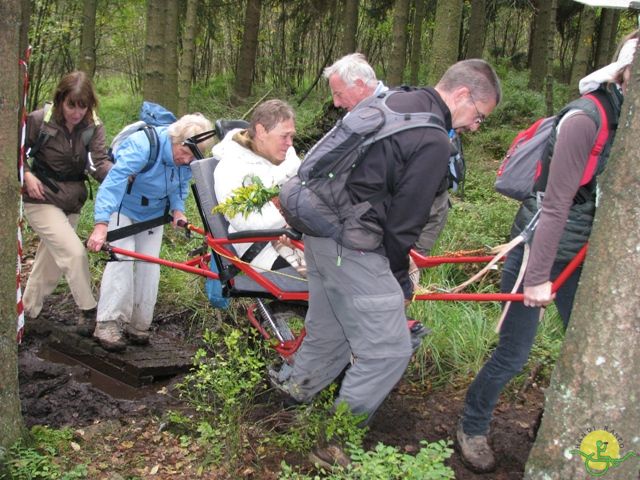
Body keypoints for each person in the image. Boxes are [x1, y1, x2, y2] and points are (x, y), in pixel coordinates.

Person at [278, 54, 501, 469]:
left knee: (330, 331)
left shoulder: (396, 99)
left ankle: (288, 397)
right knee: (388, 351)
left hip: (320, 233)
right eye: (479, 115)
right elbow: (404, 225)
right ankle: (333, 444)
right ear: (463, 94)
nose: (475, 125)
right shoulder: (434, 139)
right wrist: (400, 279)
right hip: (353, 247)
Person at [456, 33, 637, 474]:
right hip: (539, 249)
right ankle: (471, 425)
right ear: (624, 74)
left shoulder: (627, 123)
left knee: (588, 347)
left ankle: (554, 422)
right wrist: (537, 277)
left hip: (585, 259)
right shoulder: (585, 120)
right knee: (515, 354)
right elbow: (555, 206)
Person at [86, 113, 215, 351]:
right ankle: (107, 323)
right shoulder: (143, 145)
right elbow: (114, 181)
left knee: (150, 266)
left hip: (154, 215)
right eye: (184, 153)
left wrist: (178, 211)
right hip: (123, 207)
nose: (186, 160)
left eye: (191, 156)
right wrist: (101, 224)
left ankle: (139, 324)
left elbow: (180, 183)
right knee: (121, 259)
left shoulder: (187, 159)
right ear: (175, 140)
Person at [22, 71, 112, 335]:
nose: (76, 112)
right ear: (61, 100)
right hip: (40, 197)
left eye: (82, 106)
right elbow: (14, 152)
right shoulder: (40, 121)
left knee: (49, 263)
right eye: (71, 104)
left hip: (71, 200)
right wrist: (26, 175)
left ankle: (28, 312)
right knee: (74, 253)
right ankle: (88, 309)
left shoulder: (93, 126)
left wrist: (121, 179)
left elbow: (99, 163)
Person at [212, 99, 305, 275]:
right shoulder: (231, 168)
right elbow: (244, 222)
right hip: (264, 249)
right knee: (333, 270)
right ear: (262, 131)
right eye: (284, 136)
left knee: (347, 252)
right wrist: (288, 210)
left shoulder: (287, 156)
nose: (290, 143)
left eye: (291, 136)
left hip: (299, 234)